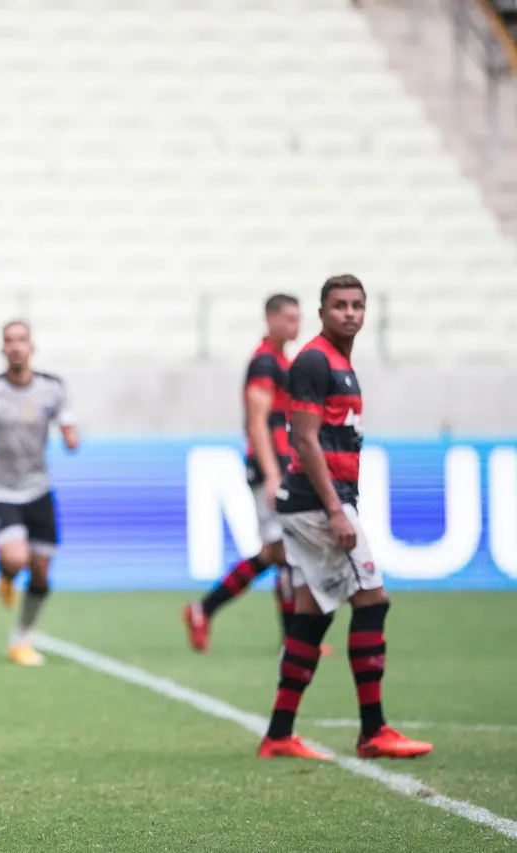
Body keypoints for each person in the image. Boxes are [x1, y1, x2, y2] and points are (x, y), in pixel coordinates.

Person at [258, 276, 432, 760]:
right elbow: (304, 438)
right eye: (340, 306)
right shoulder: (315, 360)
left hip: (317, 501)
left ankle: (278, 734)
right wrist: (337, 508)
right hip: (318, 504)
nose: (350, 313)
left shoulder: (339, 363)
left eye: (357, 305)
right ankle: (373, 731)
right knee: (372, 601)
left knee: (311, 618)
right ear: (322, 312)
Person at [184, 294, 301, 653]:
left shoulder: (281, 360)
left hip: (284, 464)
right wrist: (272, 473)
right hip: (272, 466)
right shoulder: (265, 362)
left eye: (298, 318)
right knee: (282, 550)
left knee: (279, 551)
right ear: (270, 319)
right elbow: (257, 421)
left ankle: (204, 609)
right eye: (289, 318)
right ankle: (291, 639)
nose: (296, 325)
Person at [0, 321, 78, 667]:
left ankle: (21, 638)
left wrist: (70, 434)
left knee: (41, 571)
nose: (16, 346)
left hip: (39, 489)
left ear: (31, 346)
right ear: (2, 348)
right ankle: (6, 573)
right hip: (1, 490)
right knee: (16, 558)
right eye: (9, 341)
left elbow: (67, 422)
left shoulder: (52, 388)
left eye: (22, 340)